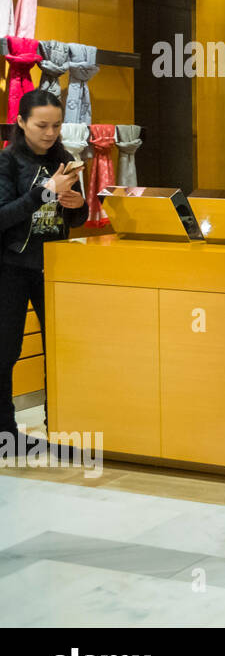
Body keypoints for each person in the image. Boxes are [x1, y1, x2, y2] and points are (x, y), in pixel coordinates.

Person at [0, 89, 87, 457]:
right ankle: (5, 434)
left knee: (61, 349)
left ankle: (61, 427)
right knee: (6, 350)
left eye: (55, 125)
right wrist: (43, 193)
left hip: (54, 267)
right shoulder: (7, 162)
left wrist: (77, 204)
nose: (50, 133)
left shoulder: (64, 158)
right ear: (21, 122)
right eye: (41, 125)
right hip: (11, 267)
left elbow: (76, 218)